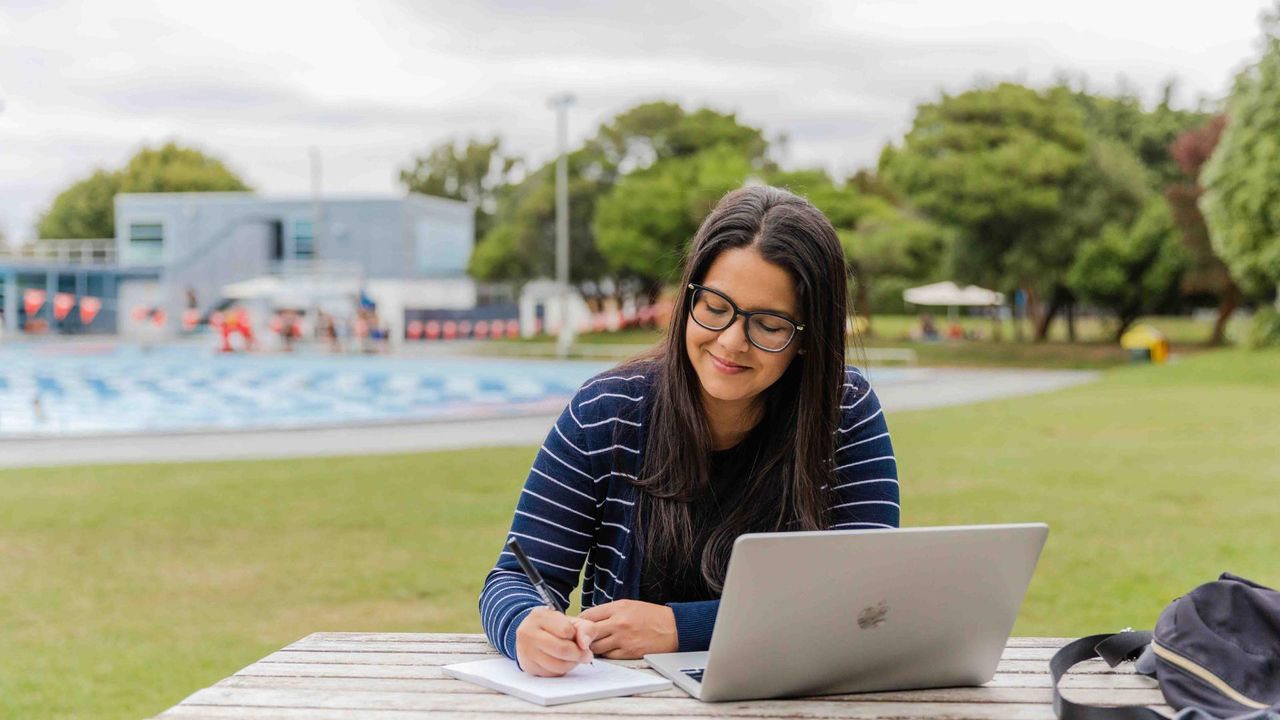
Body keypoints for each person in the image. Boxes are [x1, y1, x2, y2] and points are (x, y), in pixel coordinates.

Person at [479, 186, 900, 677]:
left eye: (768, 325)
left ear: (808, 339)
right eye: (716, 307)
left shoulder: (844, 412)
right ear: (688, 298)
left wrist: (682, 628)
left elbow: (865, 600)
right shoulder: (606, 412)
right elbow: (515, 577)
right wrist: (525, 625)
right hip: (624, 705)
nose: (731, 342)